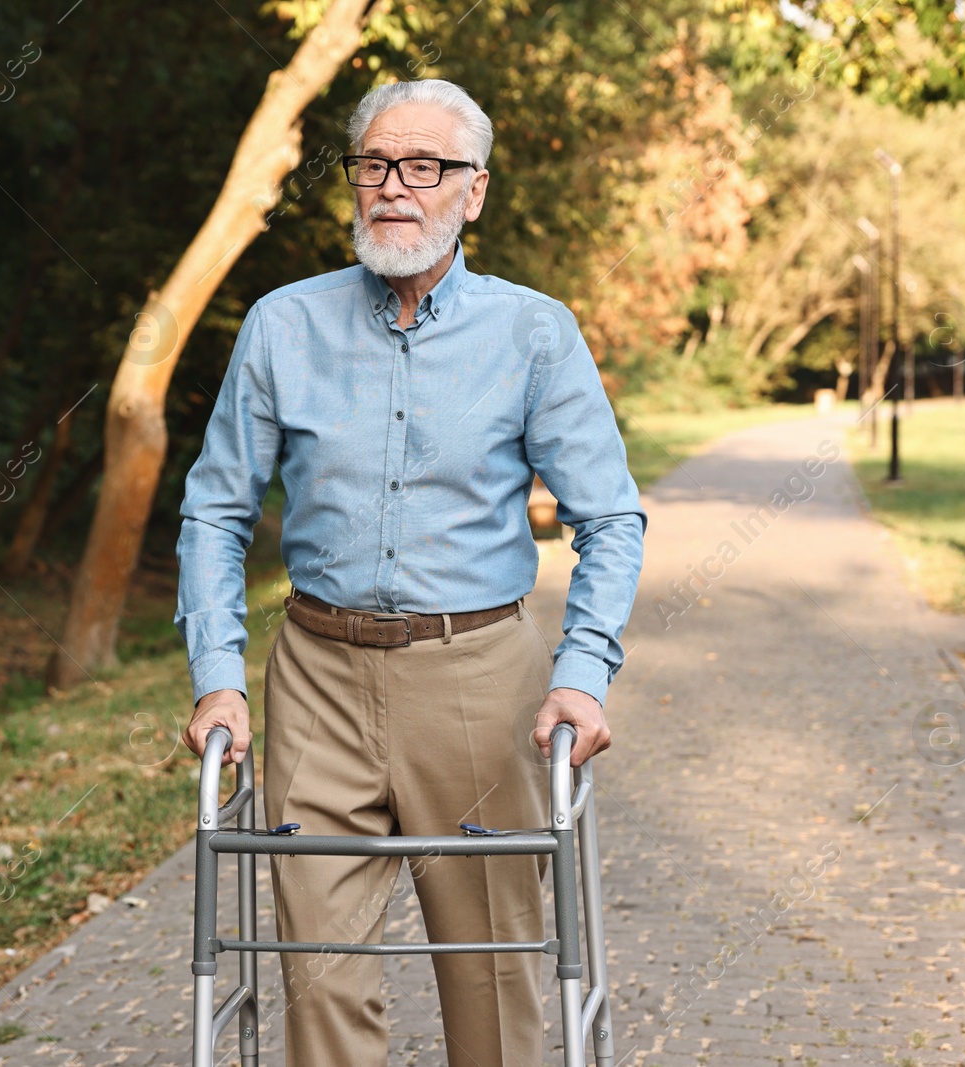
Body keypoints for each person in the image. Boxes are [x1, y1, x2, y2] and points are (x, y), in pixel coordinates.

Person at [174, 78, 645, 1066]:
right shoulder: (282, 326)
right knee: (318, 975)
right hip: (316, 676)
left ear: (472, 191)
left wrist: (582, 673)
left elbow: (608, 515)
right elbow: (216, 507)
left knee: (495, 977)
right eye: (374, 164)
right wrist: (218, 673)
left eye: (424, 166)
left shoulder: (532, 331)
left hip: (478, 675)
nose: (394, 186)